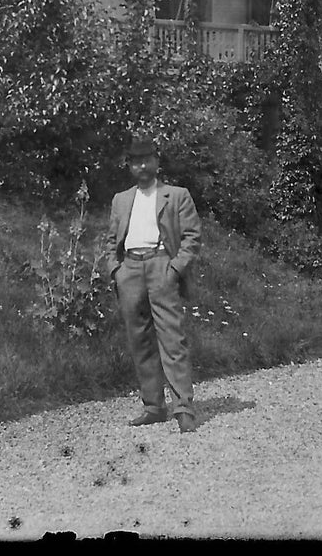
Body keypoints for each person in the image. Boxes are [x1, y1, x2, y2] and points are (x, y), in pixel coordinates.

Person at [108, 135, 201, 433]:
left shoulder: (176, 195)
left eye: (147, 160)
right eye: (136, 162)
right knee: (140, 340)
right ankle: (153, 406)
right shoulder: (121, 200)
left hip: (162, 265)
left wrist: (174, 269)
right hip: (130, 270)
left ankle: (183, 407)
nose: (142, 166)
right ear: (129, 166)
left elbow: (192, 238)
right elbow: (110, 241)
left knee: (172, 338)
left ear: (157, 162)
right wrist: (116, 271)